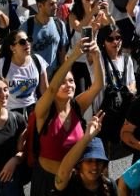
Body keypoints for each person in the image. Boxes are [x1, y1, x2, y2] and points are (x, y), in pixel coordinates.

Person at [30, 33, 104, 194]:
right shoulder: (45, 110)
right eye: (63, 82)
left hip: (73, 181)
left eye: (71, 81)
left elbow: (98, 86)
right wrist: (73, 57)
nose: (68, 85)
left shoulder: (77, 106)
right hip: (46, 180)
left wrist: (97, 57)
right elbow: (51, 89)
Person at [52, 115, 117, 196]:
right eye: (89, 160)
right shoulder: (68, 184)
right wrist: (86, 138)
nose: (94, 166)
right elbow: (63, 172)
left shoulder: (110, 185)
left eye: (99, 161)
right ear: (79, 164)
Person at [0, 29, 49, 116]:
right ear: (12, 47)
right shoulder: (3, 64)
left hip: (33, 111)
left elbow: (45, 90)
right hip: (11, 113)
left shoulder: (37, 60)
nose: (27, 43)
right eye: (22, 42)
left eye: (29, 40)